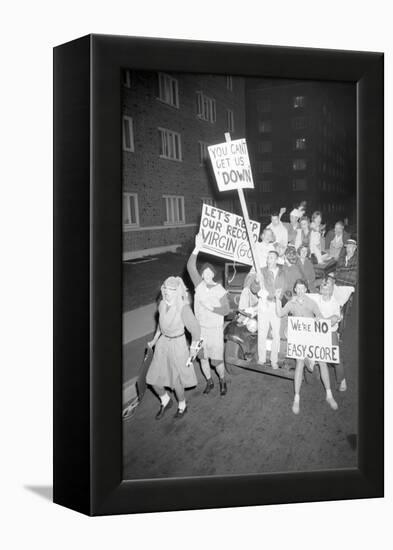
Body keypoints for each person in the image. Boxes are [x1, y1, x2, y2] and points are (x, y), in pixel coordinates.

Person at [275, 280, 339, 414]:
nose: (300, 291)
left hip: (313, 337)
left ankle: (329, 395)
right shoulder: (291, 303)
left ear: (305, 290)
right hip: (300, 339)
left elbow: (320, 316)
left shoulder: (311, 302)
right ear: (295, 290)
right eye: (297, 288)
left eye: (302, 288)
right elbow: (280, 313)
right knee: (299, 363)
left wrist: (319, 319)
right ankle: (296, 397)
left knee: (322, 362)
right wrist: (276, 299)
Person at [146, 276, 201, 420]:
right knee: (152, 378)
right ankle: (165, 400)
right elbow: (160, 324)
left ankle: (182, 404)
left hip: (178, 345)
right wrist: (154, 339)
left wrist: (194, 348)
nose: (166, 292)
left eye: (171, 289)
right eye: (165, 288)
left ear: (177, 291)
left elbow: (195, 330)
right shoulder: (162, 304)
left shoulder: (183, 308)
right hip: (163, 343)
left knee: (176, 381)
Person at [187, 234, 230, 396]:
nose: (206, 274)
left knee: (216, 361)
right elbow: (191, 267)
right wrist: (197, 247)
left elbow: (226, 310)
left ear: (213, 274)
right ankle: (209, 381)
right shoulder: (198, 285)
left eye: (208, 272)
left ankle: (222, 380)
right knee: (203, 358)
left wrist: (210, 307)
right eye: (203, 272)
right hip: (200, 330)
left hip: (214, 330)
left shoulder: (220, 290)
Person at [249, 250, 287, 369]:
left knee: (276, 334)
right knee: (262, 332)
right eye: (268, 257)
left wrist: (279, 295)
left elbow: (284, 287)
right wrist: (256, 281)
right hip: (263, 303)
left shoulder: (282, 272)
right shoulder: (262, 271)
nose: (269, 260)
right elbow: (254, 289)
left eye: (271, 258)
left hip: (276, 304)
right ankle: (261, 358)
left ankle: (274, 360)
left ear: (276, 260)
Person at [309, 278, 347, 392]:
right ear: (320, 289)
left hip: (330, 331)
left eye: (328, 288)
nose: (325, 291)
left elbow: (335, 318)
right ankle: (312, 364)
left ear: (332, 290)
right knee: (308, 349)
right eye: (323, 288)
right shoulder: (316, 297)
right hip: (317, 331)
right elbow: (304, 295)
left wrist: (322, 320)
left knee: (336, 357)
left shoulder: (335, 303)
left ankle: (342, 379)